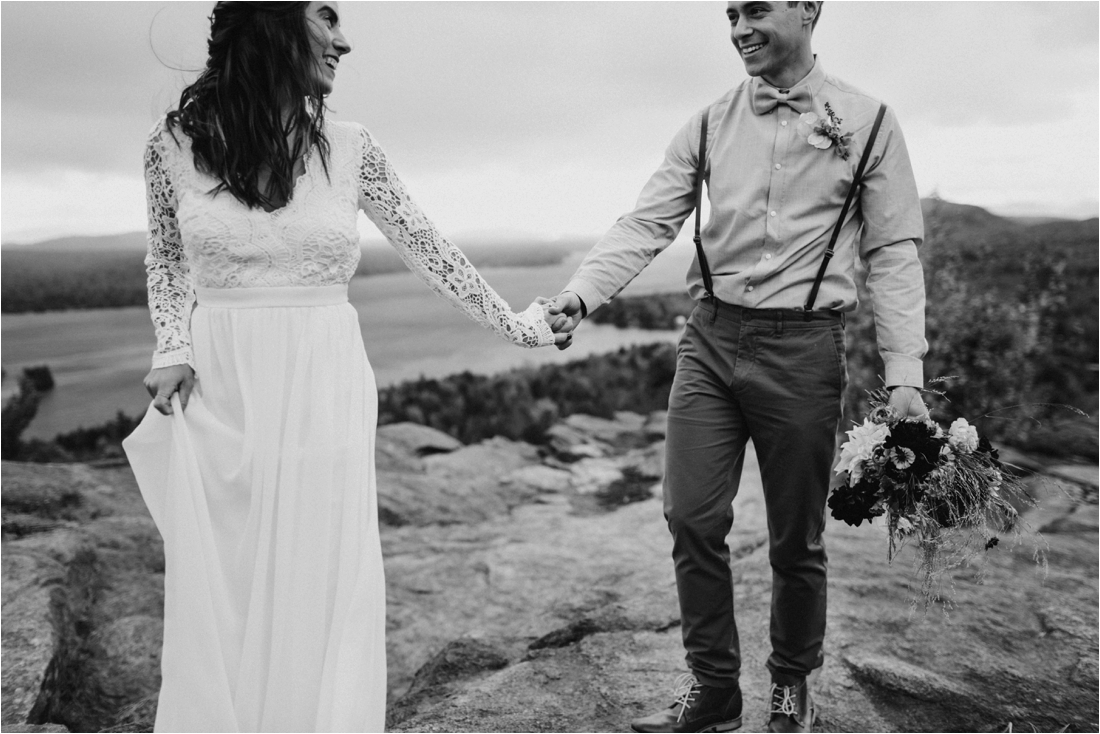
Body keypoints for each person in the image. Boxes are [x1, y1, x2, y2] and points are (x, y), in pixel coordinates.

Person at [122, 2, 572, 731]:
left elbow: (428, 245)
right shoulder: (172, 143)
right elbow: (167, 257)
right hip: (222, 383)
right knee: (226, 584)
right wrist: (171, 344)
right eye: (325, 18)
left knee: (316, 578)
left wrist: (518, 328)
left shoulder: (352, 146)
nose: (344, 40)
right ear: (271, 25)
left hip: (322, 379)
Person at [546, 2, 927, 732]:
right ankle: (715, 688)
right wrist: (580, 295)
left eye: (756, 11)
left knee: (795, 538)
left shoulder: (871, 121)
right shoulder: (709, 122)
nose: (739, 29)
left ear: (810, 8)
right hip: (711, 342)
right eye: (730, 15)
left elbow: (894, 253)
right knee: (689, 515)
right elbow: (648, 219)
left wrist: (905, 372)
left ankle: (792, 685)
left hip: (804, 350)